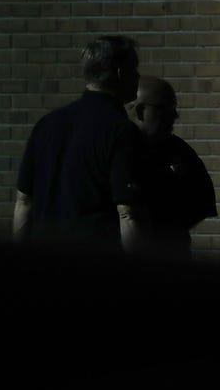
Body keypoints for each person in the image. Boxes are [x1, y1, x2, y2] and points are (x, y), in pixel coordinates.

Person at [13, 35, 147, 254]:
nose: (138, 76)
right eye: (134, 68)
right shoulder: (121, 131)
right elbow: (127, 214)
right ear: (120, 73)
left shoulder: (46, 125)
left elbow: (24, 201)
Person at [129, 76, 217, 262]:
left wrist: (169, 229)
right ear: (140, 111)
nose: (175, 116)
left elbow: (203, 200)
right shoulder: (119, 151)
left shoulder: (179, 151)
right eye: (166, 109)